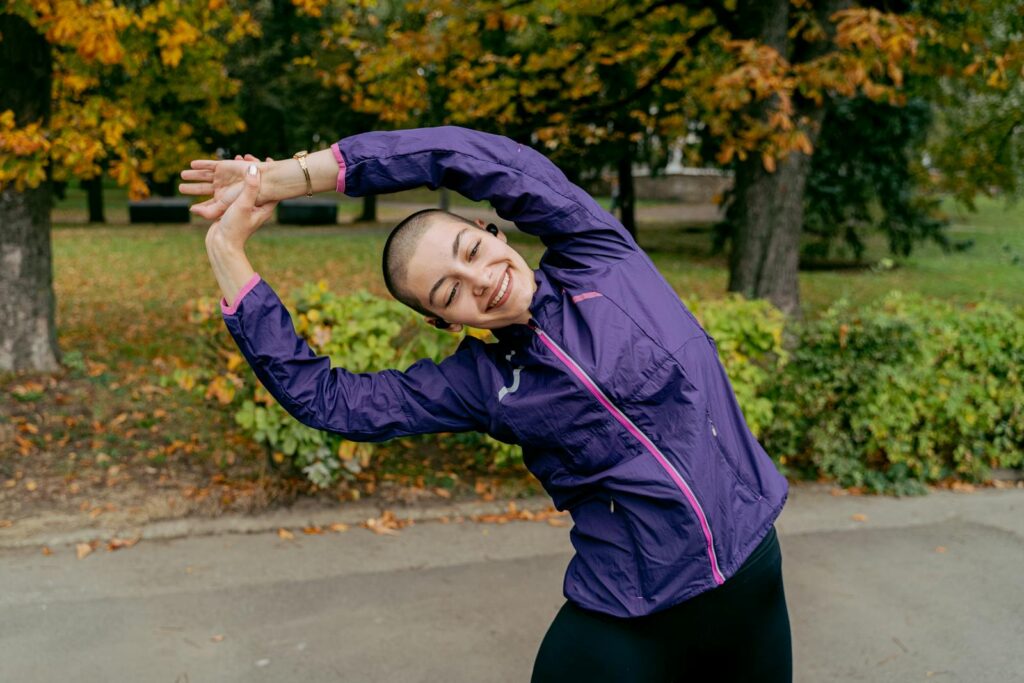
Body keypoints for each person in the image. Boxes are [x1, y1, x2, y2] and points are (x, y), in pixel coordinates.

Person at [180, 126, 792, 682]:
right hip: (631, 616)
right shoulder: (479, 383)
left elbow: (469, 157)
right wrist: (227, 252)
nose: (482, 280)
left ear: (492, 231)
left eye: (472, 252)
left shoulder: (600, 256)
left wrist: (290, 176)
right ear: (444, 321)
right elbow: (331, 401)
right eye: (450, 291)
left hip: (753, 582)